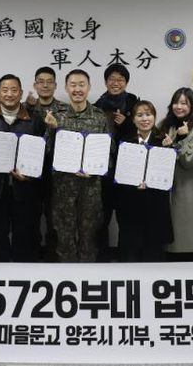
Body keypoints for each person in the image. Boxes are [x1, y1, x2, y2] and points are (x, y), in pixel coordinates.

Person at [0, 74, 46, 262]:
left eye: (14, 90)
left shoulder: (35, 120)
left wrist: (29, 177)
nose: (9, 94)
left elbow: (43, 154)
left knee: (24, 234)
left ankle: (22, 272)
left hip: (26, 188)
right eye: (5, 90)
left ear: (20, 93)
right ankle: (1, 271)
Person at [44, 69, 110, 262]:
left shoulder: (99, 117)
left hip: (91, 188)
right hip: (63, 188)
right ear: (66, 88)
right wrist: (51, 129)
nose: (77, 89)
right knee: (64, 235)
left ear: (89, 87)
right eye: (73, 85)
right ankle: (67, 274)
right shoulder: (56, 116)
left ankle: (86, 276)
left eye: (82, 85)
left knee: (89, 236)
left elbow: (109, 153)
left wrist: (96, 169)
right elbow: (46, 151)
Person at [115, 100, 173, 262]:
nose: (144, 119)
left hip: (155, 206)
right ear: (133, 120)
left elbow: (168, 176)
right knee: (131, 253)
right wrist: (132, 185)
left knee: (153, 254)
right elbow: (119, 175)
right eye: (139, 115)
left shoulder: (164, 140)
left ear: (154, 117)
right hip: (131, 205)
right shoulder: (125, 141)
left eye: (148, 114)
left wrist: (169, 149)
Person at [93, 64, 139, 261]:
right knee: (101, 219)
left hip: (127, 172)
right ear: (105, 82)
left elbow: (143, 132)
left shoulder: (134, 104)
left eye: (120, 79)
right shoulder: (97, 106)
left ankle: (125, 259)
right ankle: (102, 259)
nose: (116, 83)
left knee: (127, 219)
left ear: (126, 83)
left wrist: (126, 123)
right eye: (112, 79)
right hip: (103, 172)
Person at [24, 66, 68, 261]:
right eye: (41, 82)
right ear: (35, 85)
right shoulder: (25, 108)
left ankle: (52, 260)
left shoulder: (64, 109)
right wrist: (29, 108)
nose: (45, 85)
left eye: (49, 82)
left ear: (55, 85)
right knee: (30, 219)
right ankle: (32, 260)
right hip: (30, 172)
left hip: (56, 173)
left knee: (55, 220)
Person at [159, 88, 193, 260]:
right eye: (176, 102)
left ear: (191, 106)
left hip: (185, 191)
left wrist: (181, 139)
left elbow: (188, 161)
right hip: (163, 189)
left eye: (184, 103)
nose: (179, 107)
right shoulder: (164, 125)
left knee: (183, 239)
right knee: (163, 239)